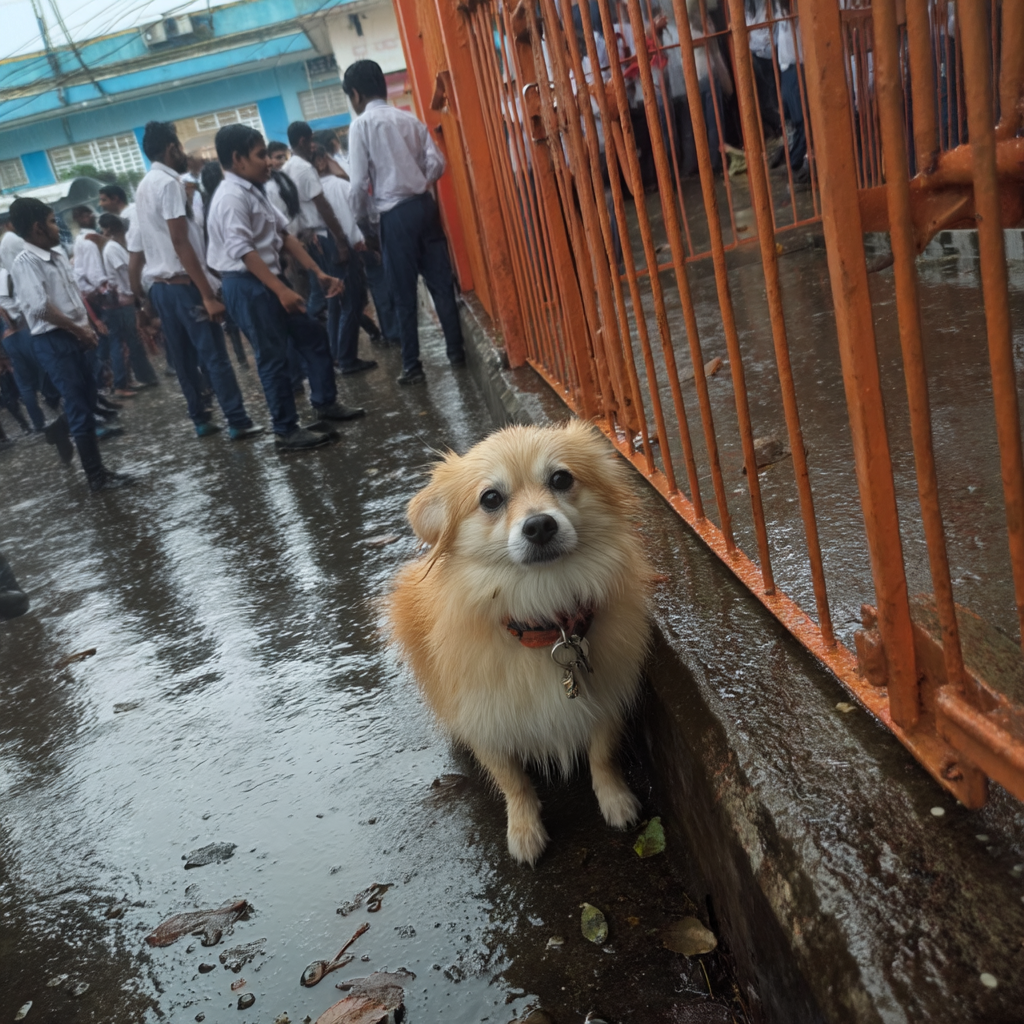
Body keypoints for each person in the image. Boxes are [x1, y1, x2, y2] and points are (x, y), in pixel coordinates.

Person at [206, 123, 367, 450]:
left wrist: (318, 273)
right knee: (273, 357)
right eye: (261, 154)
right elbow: (243, 251)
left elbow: (284, 235)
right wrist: (280, 291)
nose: (269, 161)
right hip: (248, 284)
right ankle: (285, 431)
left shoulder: (255, 191)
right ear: (238, 160)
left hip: (268, 279)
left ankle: (325, 403)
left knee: (312, 336)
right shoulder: (231, 197)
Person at [127, 120, 263, 441]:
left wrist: (142, 300)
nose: (184, 155)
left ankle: (201, 418)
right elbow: (180, 240)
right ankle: (237, 419)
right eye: (180, 148)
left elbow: (147, 246)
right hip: (185, 288)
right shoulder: (169, 183)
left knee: (184, 359)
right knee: (214, 355)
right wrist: (208, 294)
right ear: (172, 148)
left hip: (161, 289)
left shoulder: (144, 186)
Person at [343, 59, 466, 385]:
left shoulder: (361, 126)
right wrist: (417, 181)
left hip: (394, 215)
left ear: (355, 94)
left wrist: (366, 224)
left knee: (403, 293)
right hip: (424, 206)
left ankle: (412, 366)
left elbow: (357, 186)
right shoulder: (408, 118)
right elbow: (437, 163)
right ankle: (457, 352)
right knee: (440, 283)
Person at [9, 197, 132, 491]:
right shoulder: (24, 263)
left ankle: (60, 430)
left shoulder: (58, 256)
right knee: (79, 405)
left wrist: (89, 326)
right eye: (52, 222)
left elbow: (72, 296)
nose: (57, 228)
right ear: (38, 227)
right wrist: (78, 330)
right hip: (54, 339)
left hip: (76, 334)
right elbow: (40, 307)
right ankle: (96, 476)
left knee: (89, 399)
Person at [283, 121, 367, 350]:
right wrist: (340, 240)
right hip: (324, 235)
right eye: (310, 140)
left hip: (311, 237)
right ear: (303, 141)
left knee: (335, 299)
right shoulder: (303, 169)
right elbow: (323, 206)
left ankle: (336, 351)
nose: (313, 146)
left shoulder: (287, 170)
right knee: (351, 297)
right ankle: (346, 355)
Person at [311, 144, 396, 351]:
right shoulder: (339, 185)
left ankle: (340, 349)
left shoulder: (310, 193)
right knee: (376, 285)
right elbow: (358, 213)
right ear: (322, 161)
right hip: (358, 244)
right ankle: (392, 332)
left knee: (341, 300)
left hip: (332, 249)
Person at [96, 213, 159, 390]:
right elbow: (125, 274)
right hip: (122, 301)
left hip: (125, 300)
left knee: (132, 340)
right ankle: (133, 379)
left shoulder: (116, 246)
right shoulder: (112, 248)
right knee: (129, 341)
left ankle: (143, 377)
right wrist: (137, 295)